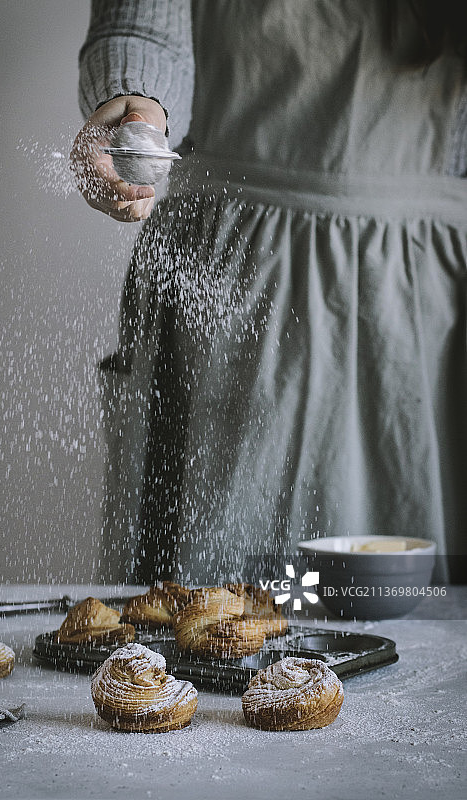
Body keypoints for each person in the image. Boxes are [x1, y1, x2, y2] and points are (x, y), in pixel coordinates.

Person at [71, 0, 467, 586]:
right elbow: (142, 22)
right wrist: (137, 103)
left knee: (417, 618)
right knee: (205, 617)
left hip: (419, 293)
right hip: (230, 272)